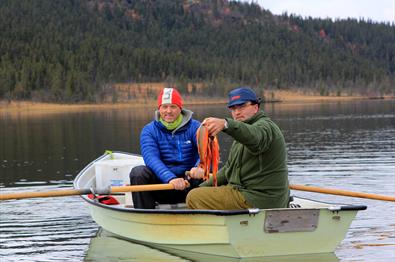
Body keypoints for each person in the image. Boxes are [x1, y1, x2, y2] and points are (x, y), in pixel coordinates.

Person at [186, 87, 290, 210]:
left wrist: (226, 124)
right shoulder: (240, 133)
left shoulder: (265, 127)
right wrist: (203, 186)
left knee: (193, 197)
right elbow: (228, 170)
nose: (237, 112)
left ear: (256, 107)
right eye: (233, 108)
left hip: (262, 198)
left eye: (242, 106)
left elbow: (255, 138)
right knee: (198, 192)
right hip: (245, 193)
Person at [130, 87, 201, 209]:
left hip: (190, 185)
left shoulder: (196, 127)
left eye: (173, 106)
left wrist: (201, 167)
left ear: (180, 108)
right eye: (164, 107)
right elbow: (151, 159)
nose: (168, 111)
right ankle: (145, 218)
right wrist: (170, 178)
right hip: (162, 186)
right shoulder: (149, 130)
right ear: (159, 109)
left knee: (206, 172)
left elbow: (207, 153)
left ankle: (206, 215)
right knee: (138, 173)